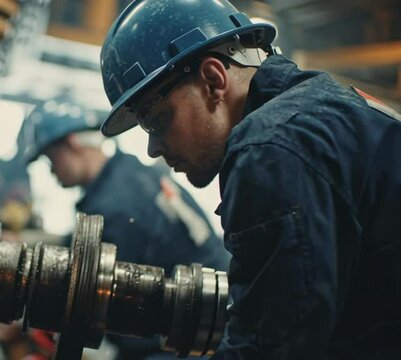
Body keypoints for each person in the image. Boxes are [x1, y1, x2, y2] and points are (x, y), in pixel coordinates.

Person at [98, 0, 401, 358]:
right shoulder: (320, 111)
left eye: (156, 120)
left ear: (213, 79)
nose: (152, 148)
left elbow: (271, 349)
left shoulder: (270, 148)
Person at [24, 96, 231, 359]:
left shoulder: (115, 208)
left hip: (191, 342)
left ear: (71, 143)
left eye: (50, 158)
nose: (52, 170)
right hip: (211, 316)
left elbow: (97, 301)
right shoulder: (126, 174)